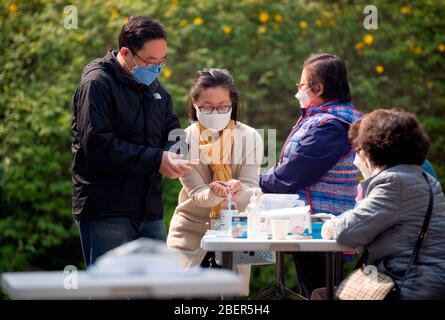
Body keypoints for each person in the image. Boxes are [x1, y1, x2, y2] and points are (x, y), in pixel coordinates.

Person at [71, 16, 191, 266]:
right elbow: (99, 146)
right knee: (110, 291)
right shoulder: (97, 84)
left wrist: (175, 154)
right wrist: (157, 158)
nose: (156, 69)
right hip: (107, 208)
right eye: (150, 62)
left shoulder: (155, 88)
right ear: (125, 52)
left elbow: (174, 130)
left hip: (150, 210)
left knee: (156, 289)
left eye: (162, 62)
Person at [260, 53, 363, 298]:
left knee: (319, 291)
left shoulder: (332, 126)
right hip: (311, 226)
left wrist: (255, 182)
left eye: (302, 84)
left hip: (321, 229)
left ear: (318, 88)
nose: (297, 90)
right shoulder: (322, 118)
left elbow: (294, 172)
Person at [322, 109, 445, 299]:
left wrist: (330, 225)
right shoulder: (424, 179)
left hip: (408, 284)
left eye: (360, 149)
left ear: (374, 146)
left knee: (326, 294)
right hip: (426, 279)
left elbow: (347, 233)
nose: (360, 157)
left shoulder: (394, 182)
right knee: (322, 294)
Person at [167, 68, 263, 294]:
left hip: (235, 232)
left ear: (233, 104)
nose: (215, 112)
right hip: (191, 233)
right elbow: (197, 193)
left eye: (222, 107)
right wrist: (215, 193)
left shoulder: (250, 137)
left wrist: (240, 189)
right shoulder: (183, 139)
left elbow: (252, 188)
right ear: (195, 103)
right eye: (207, 107)